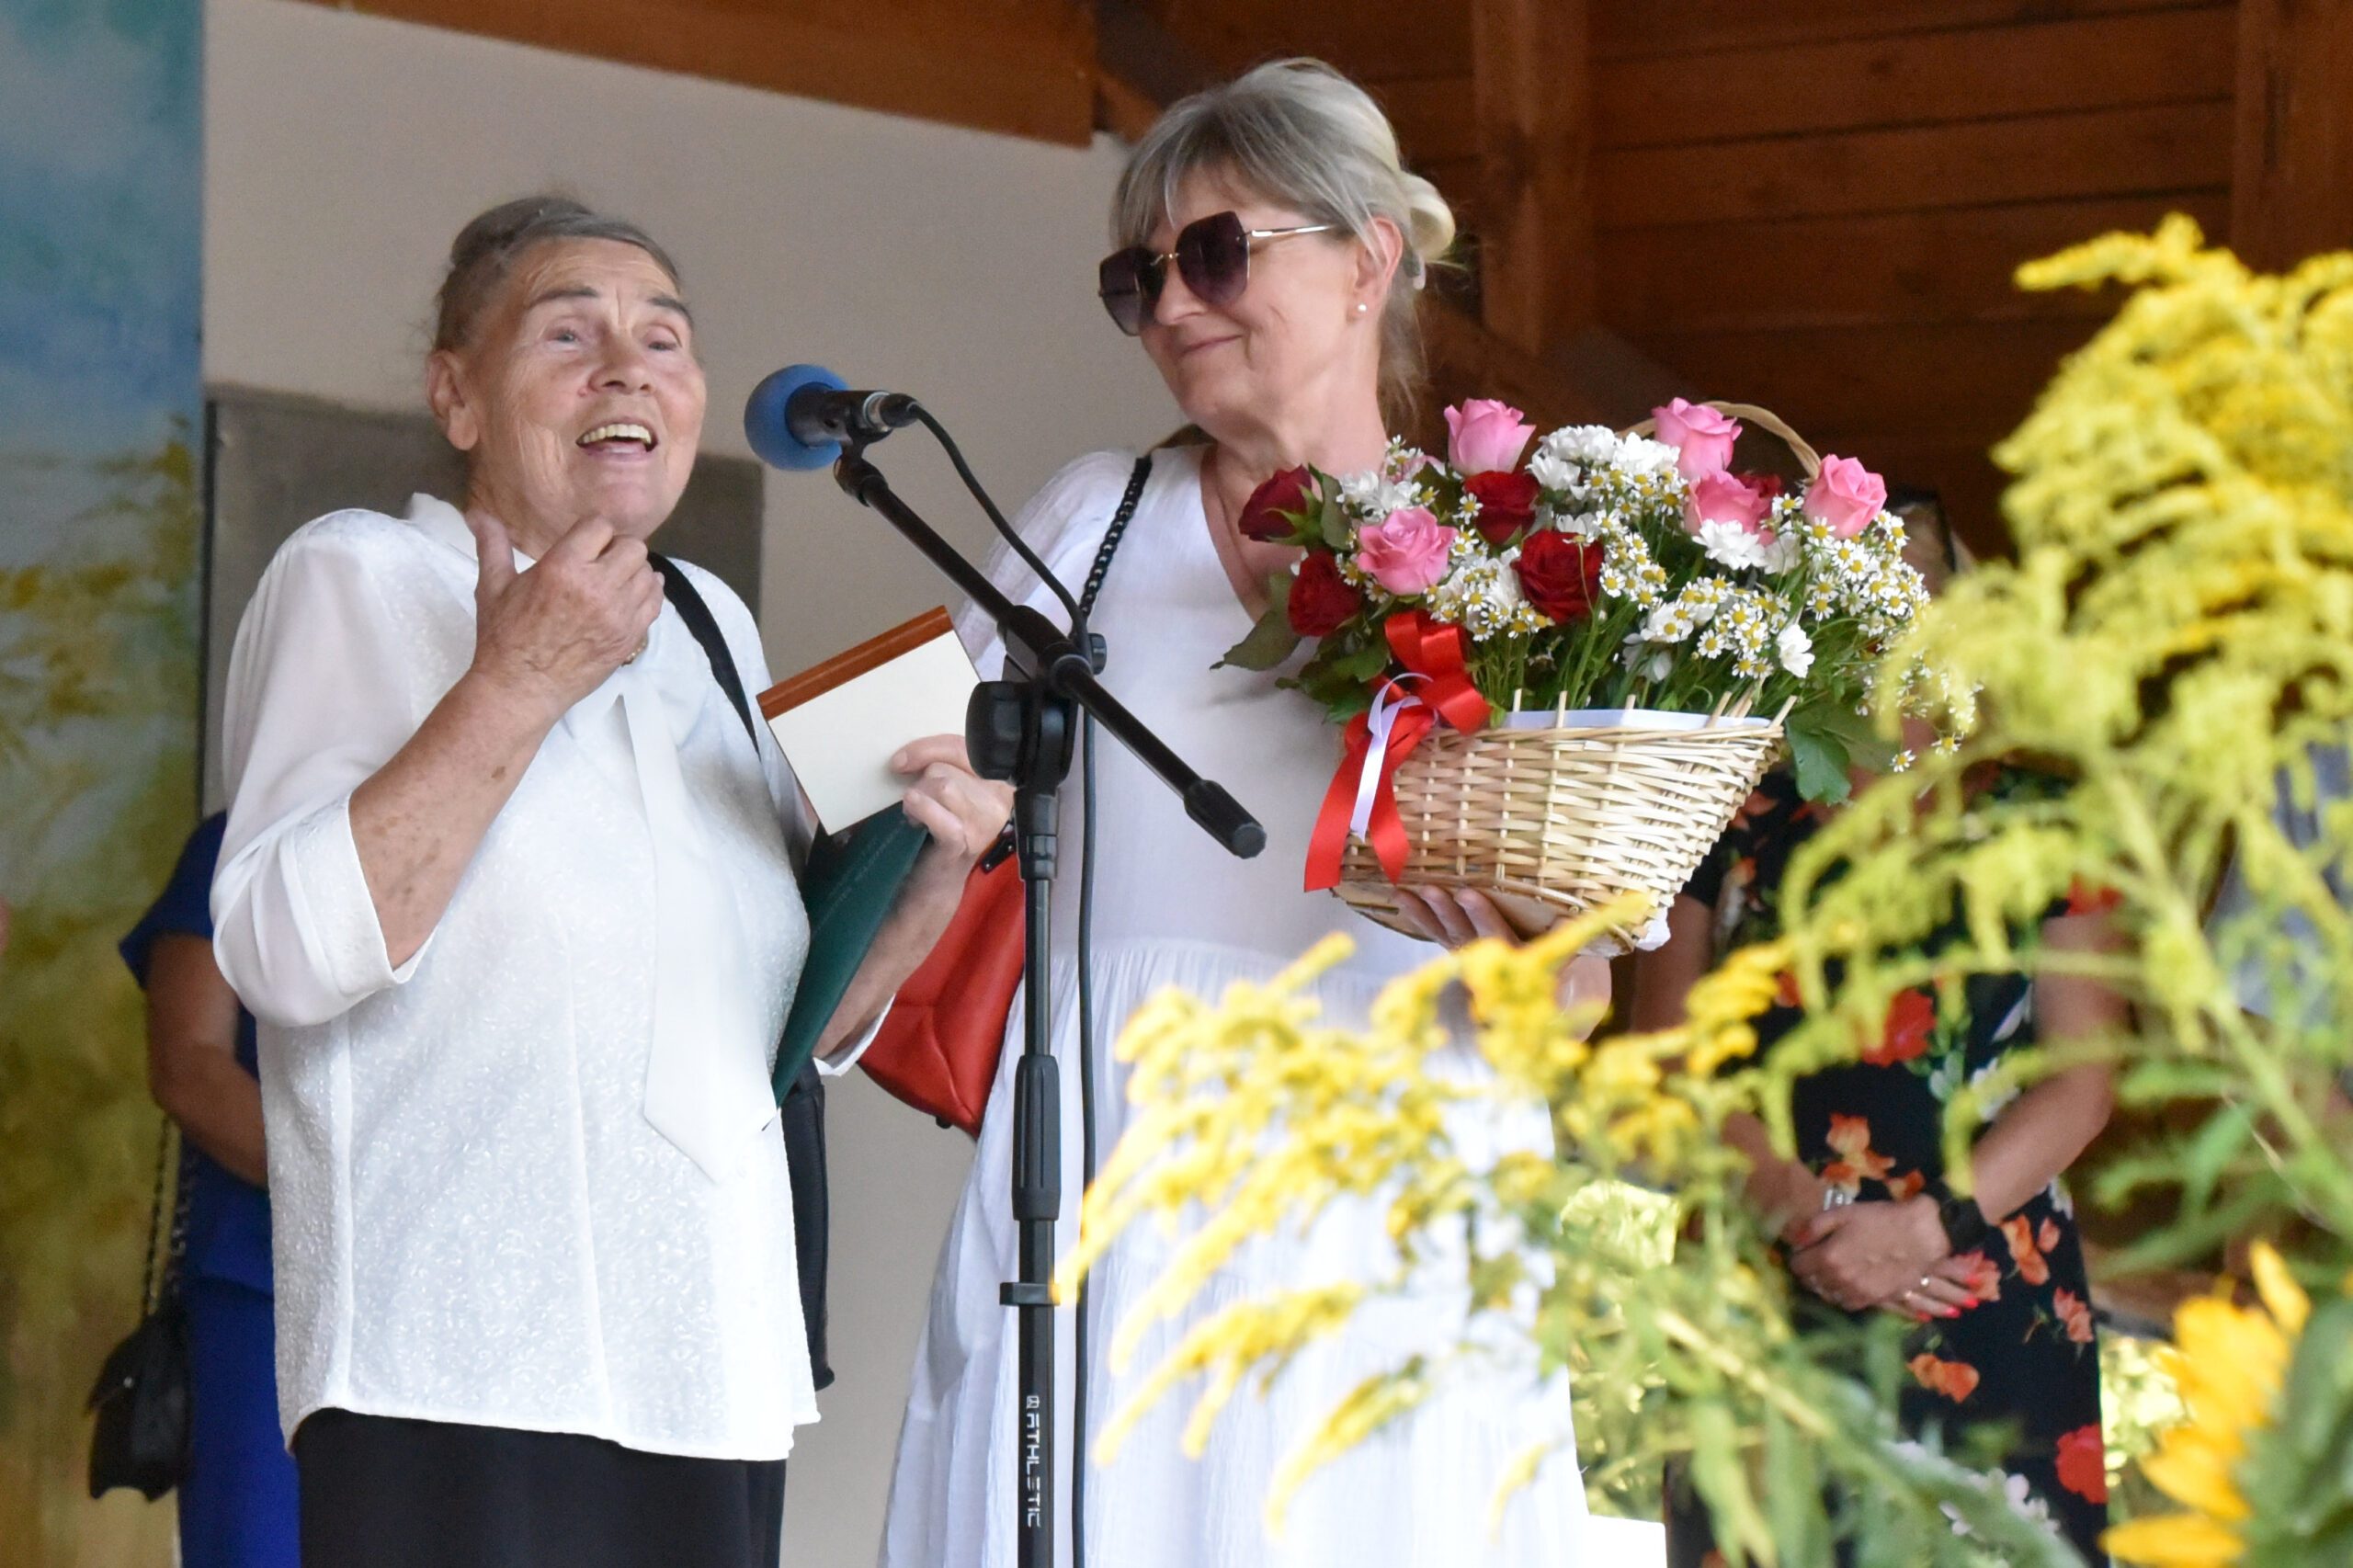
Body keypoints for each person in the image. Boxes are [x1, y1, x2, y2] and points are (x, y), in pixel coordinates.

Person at [210, 195, 1010, 1568]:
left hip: (710, 1363)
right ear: (457, 396)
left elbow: (771, 1041)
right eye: (568, 334)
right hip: (455, 1367)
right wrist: (517, 680)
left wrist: (928, 877)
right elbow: (283, 954)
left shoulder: (713, 626)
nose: (627, 369)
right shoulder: (361, 573)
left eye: (664, 340)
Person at [882, 61, 1607, 1568]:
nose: (1171, 304)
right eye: (1137, 277)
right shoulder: (1092, 521)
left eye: (1215, 254)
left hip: (1394, 1174)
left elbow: (1583, 990)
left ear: (1367, 260)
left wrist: (1526, 962)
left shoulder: (1511, 567)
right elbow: (895, 794)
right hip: (1113, 1157)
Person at [1632, 495, 2121, 1564]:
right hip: (1760, 1270)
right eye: (1857, 584)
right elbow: (1662, 1059)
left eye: (1918, 584)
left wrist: (1927, 1229)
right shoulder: (1728, 805)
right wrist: (1803, 1213)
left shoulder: (2045, 817)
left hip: (1983, 1282)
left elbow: (2084, 1079)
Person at [122, 813, 297, 1568]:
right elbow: (186, 1066)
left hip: (461, 1294)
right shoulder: (239, 840)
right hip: (260, 1287)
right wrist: (361, 1204)